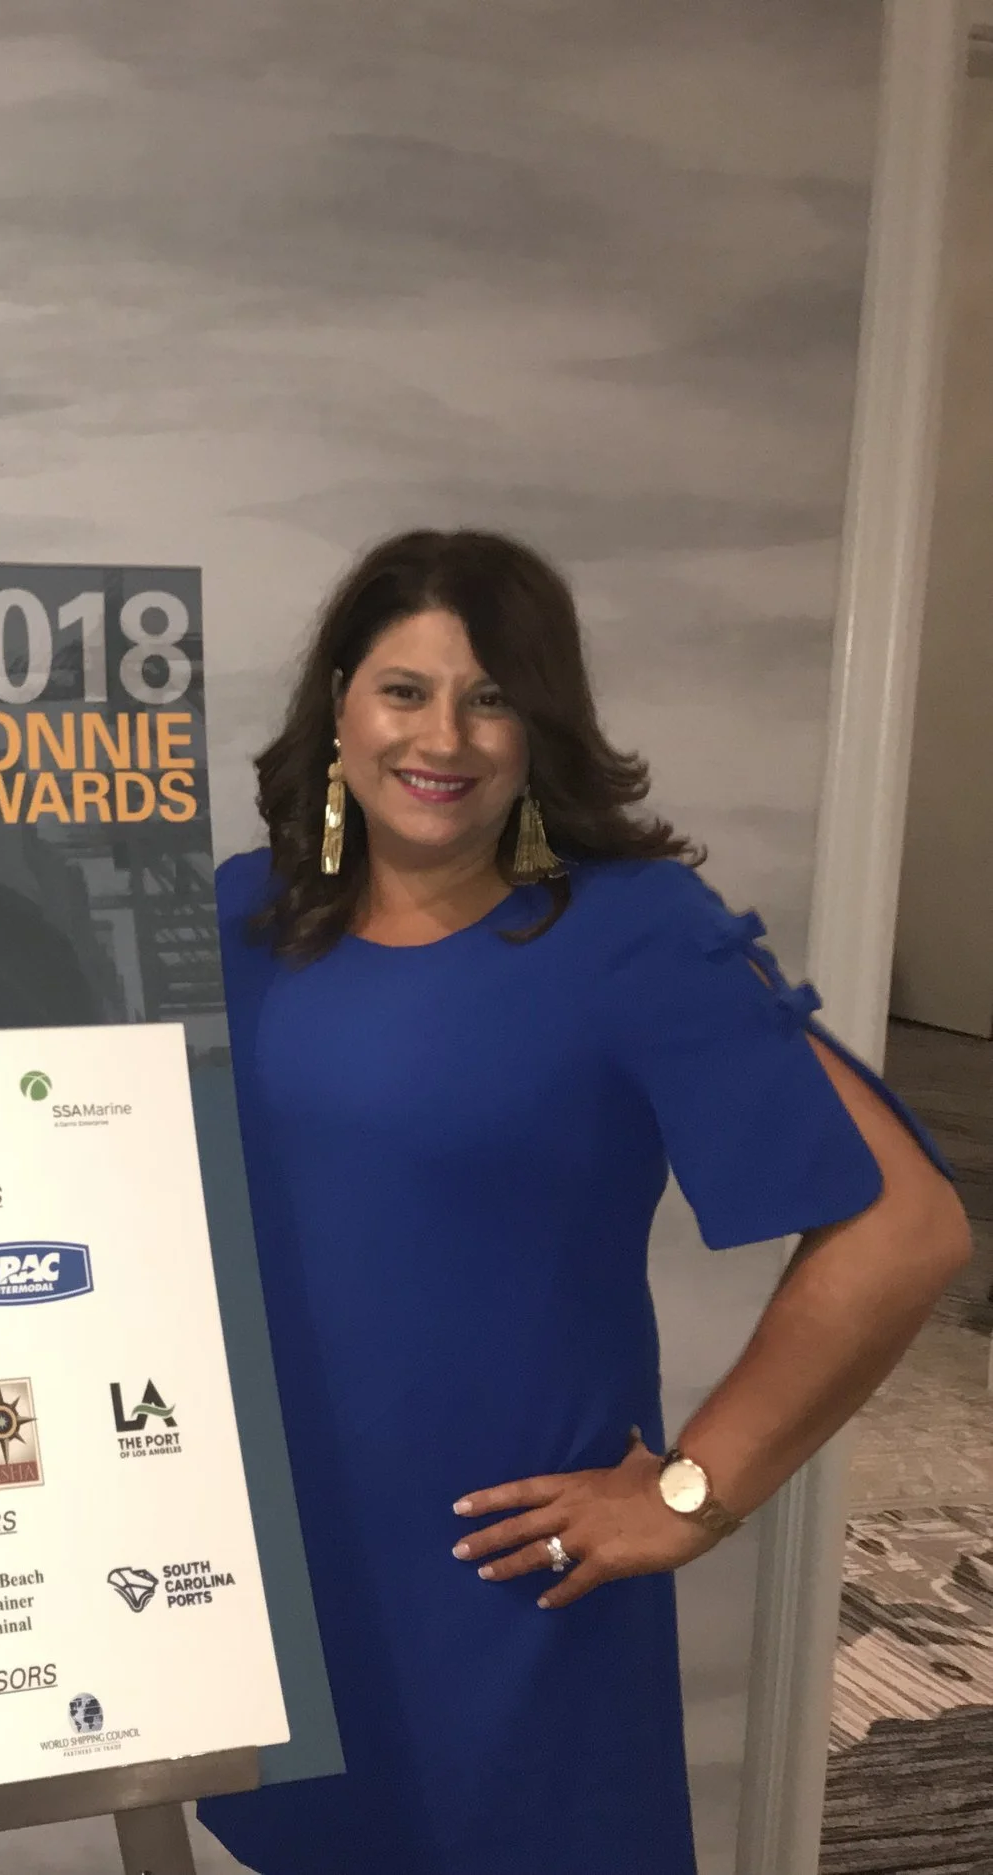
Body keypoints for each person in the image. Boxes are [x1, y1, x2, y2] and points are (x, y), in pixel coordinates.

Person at [195, 530, 970, 1875]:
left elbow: (906, 1227)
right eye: (405, 689)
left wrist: (692, 1491)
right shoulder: (246, 914)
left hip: (506, 1575)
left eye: (491, 695)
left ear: (541, 722)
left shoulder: (628, 931)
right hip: (287, 1552)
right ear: (338, 704)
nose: (445, 733)